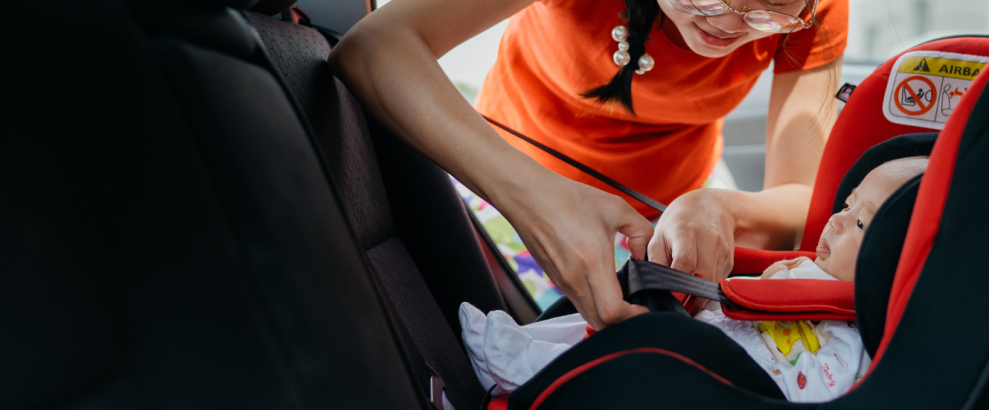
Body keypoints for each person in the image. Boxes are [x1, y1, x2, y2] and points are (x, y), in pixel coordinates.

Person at [329, 0, 848, 330]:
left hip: (681, 203)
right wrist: (539, 202)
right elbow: (375, 45)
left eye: (768, 9)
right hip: (510, 183)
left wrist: (722, 208)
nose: (728, 22)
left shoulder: (816, 10)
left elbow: (803, 189)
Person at [458, 157, 929, 402]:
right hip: (728, 326)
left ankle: (530, 369)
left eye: (863, 224)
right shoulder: (806, 265)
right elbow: (753, 289)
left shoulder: (870, 328)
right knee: (628, 298)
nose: (837, 222)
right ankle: (526, 347)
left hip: (758, 379)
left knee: (653, 346)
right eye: (846, 206)